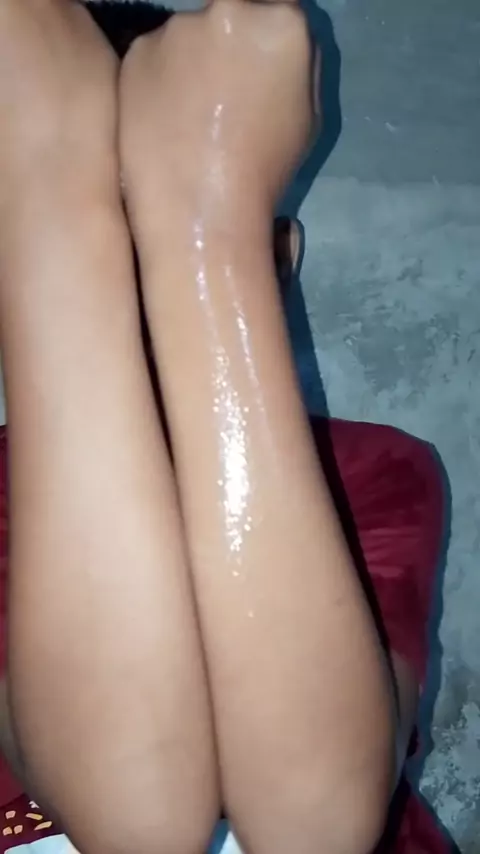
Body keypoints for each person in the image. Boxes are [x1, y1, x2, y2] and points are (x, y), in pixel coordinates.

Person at [0, 1, 451, 853]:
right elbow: (132, 816)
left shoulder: (370, 469)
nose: (128, 263)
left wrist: (208, 228)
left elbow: (314, 830)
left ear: (279, 257)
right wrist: (54, 190)